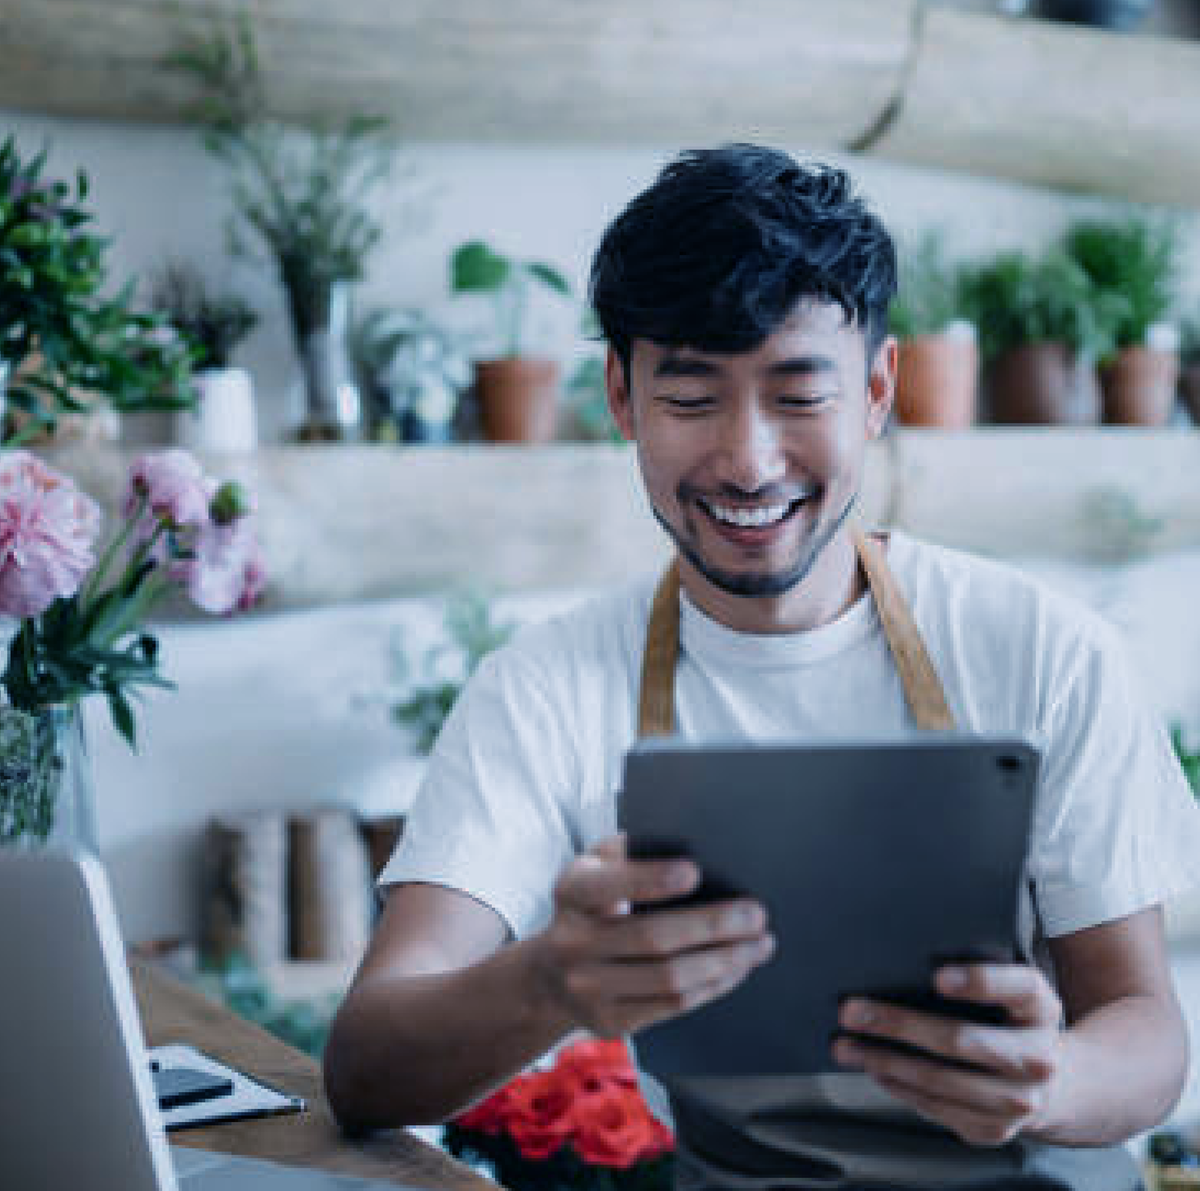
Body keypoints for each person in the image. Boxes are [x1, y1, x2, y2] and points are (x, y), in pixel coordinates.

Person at [323, 145, 1200, 1184]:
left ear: (877, 391)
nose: (747, 459)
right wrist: (552, 978)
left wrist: (1045, 1083)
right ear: (620, 396)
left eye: (798, 395)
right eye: (691, 398)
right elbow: (366, 1063)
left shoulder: (1044, 650)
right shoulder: (542, 687)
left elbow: (1146, 1032)